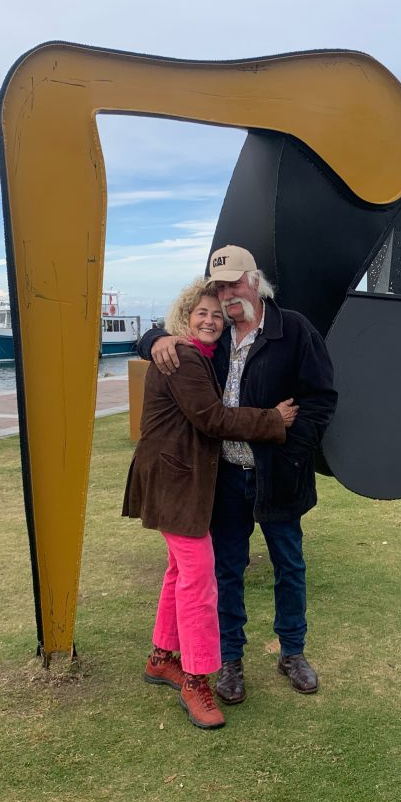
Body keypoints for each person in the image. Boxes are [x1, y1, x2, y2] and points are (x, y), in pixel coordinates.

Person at [142, 245, 337, 705]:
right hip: (224, 477)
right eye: (220, 288)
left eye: (235, 284)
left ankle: (292, 651)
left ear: (256, 281)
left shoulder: (294, 331)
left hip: (278, 473)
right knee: (226, 569)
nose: (229, 295)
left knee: (289, 566)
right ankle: (230, 659)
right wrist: (153, 339)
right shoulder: (214, 338)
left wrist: (293, 453)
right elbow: (173, 342)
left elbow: (321, 400)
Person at [123, 280, 298, 730]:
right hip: (174, 483)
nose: (209, 320)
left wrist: (153, 339)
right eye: (201, 312)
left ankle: (162, 656)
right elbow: (213, 419)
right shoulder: (181, 357)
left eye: (217, 315)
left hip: (174, 481)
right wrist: (273, 420)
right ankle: (197, 678)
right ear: (185, 316)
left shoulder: (196, 355)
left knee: (180, 572)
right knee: (200, 579)